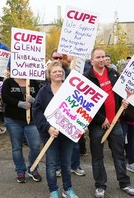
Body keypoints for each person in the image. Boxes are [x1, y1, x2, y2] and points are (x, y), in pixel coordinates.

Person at [84, 47, 134, 197]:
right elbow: (86, 104)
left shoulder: (113, 73)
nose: (101, 60)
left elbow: (121, 92)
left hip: (116, 123)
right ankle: (100, 186)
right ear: (92, 60)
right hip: (97, 125)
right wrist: (102, 119)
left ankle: (125, 183)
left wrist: (124, 102)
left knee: (119, 154)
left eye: (103, 57)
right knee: (97, 157)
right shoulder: (86, 77)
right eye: (98, 57)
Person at [33, 60, 78, 198]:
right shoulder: (43, 91)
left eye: (60, 71)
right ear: (49, 75)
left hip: (67, 134)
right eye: (55, 71)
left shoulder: (70, 89)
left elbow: (78, 110)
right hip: (50, 134)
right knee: (51, 164)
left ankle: (68, 189)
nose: (58, 73)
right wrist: (48, 128)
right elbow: (37, 112)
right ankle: (53, 190)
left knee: (66, 163)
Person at [1, 76, 42, 183]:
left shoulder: (33, 81)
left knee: (36, 146)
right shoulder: (8, 82)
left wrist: (33, 100)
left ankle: (33, 169)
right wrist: (19, 104)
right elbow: (5, 97)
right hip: (13, 120)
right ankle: (20, 171)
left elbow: (40, 97)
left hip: (32, 121)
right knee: (16, 147)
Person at [120, 104, 134, 174]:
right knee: (120, 142)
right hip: (123, 118)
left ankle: (131, 163)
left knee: (131, 142)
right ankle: (119, 165)